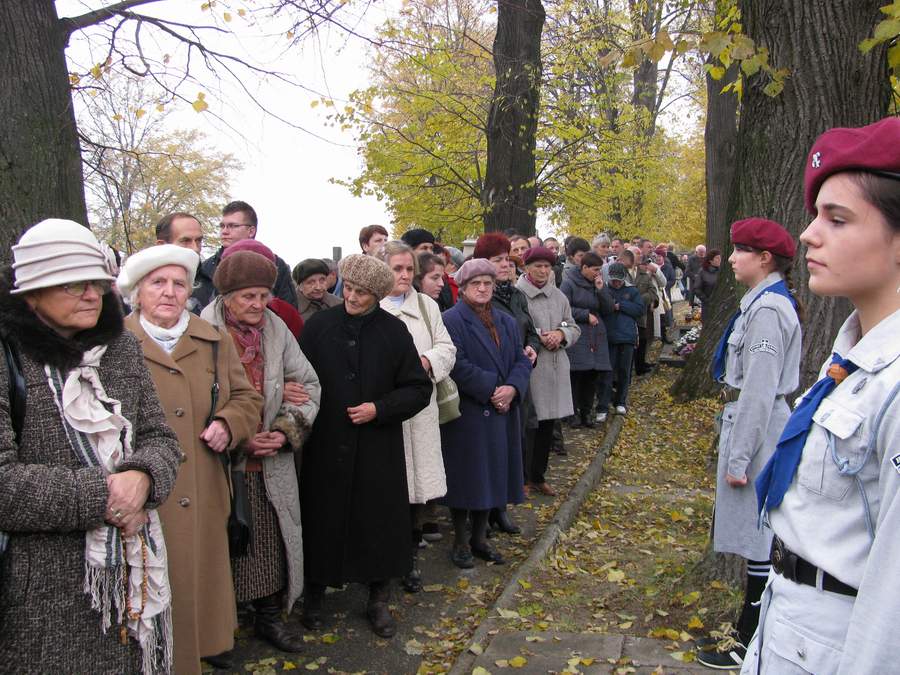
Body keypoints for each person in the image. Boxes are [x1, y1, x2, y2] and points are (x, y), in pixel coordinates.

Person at [742, 118, 900, 674]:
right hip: (790, 627)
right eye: (816, 216)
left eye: (837, 219)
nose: (809, 234)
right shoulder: (851, 361)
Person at [0, 219, 180, 673]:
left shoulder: (119, 346)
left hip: (130, 580)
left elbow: (159, 436)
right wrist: (108, 495)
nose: (91, 295)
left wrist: (144, 475)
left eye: (97, 284)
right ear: (31, 294)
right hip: (36, 592)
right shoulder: (8, 355)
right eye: (72, 285)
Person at [117, 245, 264, 673]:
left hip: (202, 492)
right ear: (138, 293)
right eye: (157, 283)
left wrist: (228, 422)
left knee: (193, 600)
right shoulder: (114, 344)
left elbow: (246, 398)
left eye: (178, 284)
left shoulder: (212, 340)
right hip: (142, 499)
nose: (169, 292)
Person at [299, 254, 432, 639]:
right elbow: (299, 376)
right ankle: (315, 594)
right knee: (321, 518)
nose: (353, 298)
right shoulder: (320, 326)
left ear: (377, 295)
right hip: (327, 441)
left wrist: (380, 408)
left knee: (378, 522)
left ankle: (377, 597)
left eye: (362, 293)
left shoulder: (393, 332)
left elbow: (418, 389)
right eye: (349, 290)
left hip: (377, 445)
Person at [201, 246, 321, 653]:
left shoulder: (275, 329)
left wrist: (286, 430)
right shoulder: (202, 331)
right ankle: (219, 630)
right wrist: (239, 434)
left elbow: (309, 385)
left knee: (269, 544)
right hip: (218, 464)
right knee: (223, 547)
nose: (257, 304)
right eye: (247, 296)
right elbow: (198, 398)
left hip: (270, 461)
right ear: (226, 296)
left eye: (263, 295)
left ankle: (268, 619)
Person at [695, 219, 802, 670]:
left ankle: (749, 640)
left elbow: (759, 389)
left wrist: (738, 458)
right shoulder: (760, 304)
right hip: (752, 421)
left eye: (741, 251)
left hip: (758, 429)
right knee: (758, 539)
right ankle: (749, 634)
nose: (732, 258)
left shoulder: (768, 311)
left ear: (764, 259)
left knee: (761, 539)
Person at [440, 259, 532, 567]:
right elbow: (455, 363)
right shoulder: (451, 320)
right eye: (475, 284)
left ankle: (480, 538)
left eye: (488, 283)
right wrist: (494, 389)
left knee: (492, 476)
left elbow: (520, 359)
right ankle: (460, 541)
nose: (482, 288)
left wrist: (513, 389)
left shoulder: (505, 320)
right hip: (471, 411)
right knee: (467, 478)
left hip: (502, 409)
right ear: (463, 288)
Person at [378, 242, 456, 593]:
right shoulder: (372, 306)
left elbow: (446, 347)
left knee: (415, 492)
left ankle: (409, 561)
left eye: (409, 269)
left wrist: (426, 362)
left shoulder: (426, 305)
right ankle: (382, 563)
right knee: (385, 490)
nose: (405, 276)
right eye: (397, 269)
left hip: (419, 409)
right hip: (383, 411)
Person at [473, 233, 539, 531]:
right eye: (496, 260)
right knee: (486, 452)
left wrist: (531, 346)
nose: (504, 265)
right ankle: (482, 513)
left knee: (513, 445)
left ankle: (500, 508)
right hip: (491, 387)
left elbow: (530, 330)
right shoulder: (480, 298)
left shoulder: (515, 295)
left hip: (517, 378)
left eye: (506, 260)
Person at [516, 247, 580, 496]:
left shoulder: (559, 296)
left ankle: (538, 476)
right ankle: (522, 478)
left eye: (547, 266)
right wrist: (540, 336)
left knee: (548, 425)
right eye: (537, 266)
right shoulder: (518, 294)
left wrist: (561, 334)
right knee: (528, 426)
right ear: (526, 268)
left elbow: (572, 325)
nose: (543, 271)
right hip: (532, 367)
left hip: (556, 367)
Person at [193, 200, 298, 310]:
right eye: (222, 226)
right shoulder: (206, 267)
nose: (224, 231)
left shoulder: (275, 264)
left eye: (232, 226)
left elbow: (288, 311)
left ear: (251, 231)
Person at [560, 252, 614, 426]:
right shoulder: (569, 283)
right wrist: (585, 315)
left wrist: (601, 290)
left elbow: (608, 309)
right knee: (576, 375)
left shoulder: (597, 284)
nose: (598, 273)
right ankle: (572, 412)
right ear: (584, 267)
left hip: (596, 335)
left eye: (600, 269)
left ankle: (587, 411)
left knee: (592, 374)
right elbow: (564, 308)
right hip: (578, 333)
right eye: (595, 270)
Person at [599, 262, 643, 416]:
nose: (616, 283)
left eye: (619, 280)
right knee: (607, 373)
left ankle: (621, 401)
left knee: (625, 371)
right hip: (609, 336)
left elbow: (639, 309)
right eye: (613, 280)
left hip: (627, 336)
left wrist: (620, 306)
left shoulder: (632, 290)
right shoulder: (604, 288)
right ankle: (603, 405)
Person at [695, 249, 721, 319]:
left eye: (720, 258)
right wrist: (707, 301)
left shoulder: (722, 272)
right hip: (708, 307)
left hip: (721, 307)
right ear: (711, 260)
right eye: (717, 258)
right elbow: (697, 289)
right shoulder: (702, 272)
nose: (719, 260)